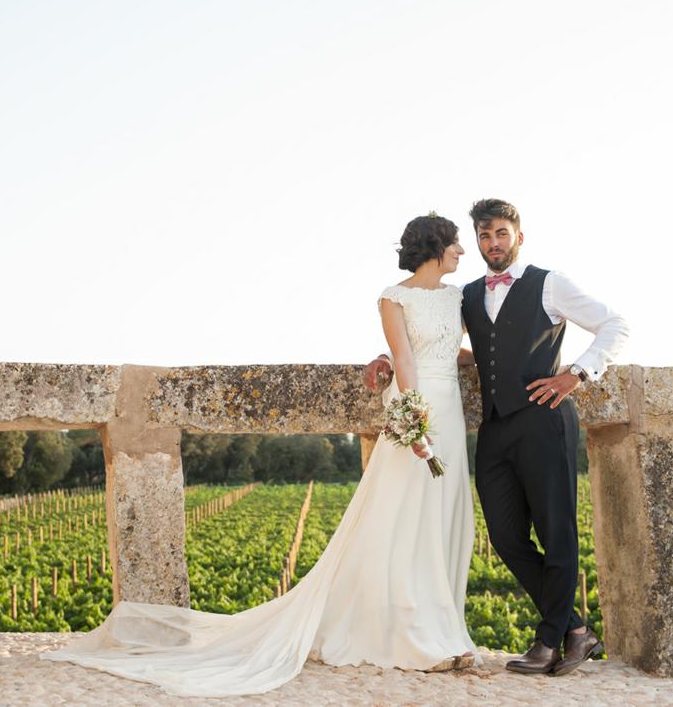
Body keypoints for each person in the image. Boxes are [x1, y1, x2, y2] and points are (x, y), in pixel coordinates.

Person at [40, 213, 478, 696]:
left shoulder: (456, 296)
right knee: (402, 516)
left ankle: (446, 626)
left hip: (450, 407)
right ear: (436, 246)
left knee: (442, 513)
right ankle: (413, 634)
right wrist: (413, 420)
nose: (462, 251)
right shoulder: (393, 297)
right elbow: (406, 358)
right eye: (456, 243)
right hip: (415, 406)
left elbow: (447, 350)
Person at [364, 198, 630, 676]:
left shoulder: (551, 284)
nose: (491, 244)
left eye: (501, 234)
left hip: (545, 421)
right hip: (495, 428)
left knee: (556, 532)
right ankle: (575, 629)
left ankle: (550, 640)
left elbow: (616, 324)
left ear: (518, 237)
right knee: (506, 537)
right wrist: (386, 356)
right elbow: (436, 340)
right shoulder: (464, 294)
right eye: (484, 236)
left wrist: (577, 374)